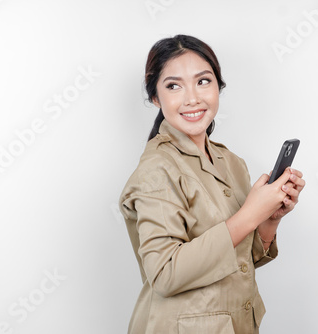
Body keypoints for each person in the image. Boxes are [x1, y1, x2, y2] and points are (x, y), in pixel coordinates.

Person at [118, 34, 305, 334]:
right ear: (155, 97)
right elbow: (165, 274)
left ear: (218, 87)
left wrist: (269, 219)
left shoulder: (230, 161)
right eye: (174, 86)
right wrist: (249, 215)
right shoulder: (157, 169)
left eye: (203, 81)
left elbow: (240, 260)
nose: (192, 98)